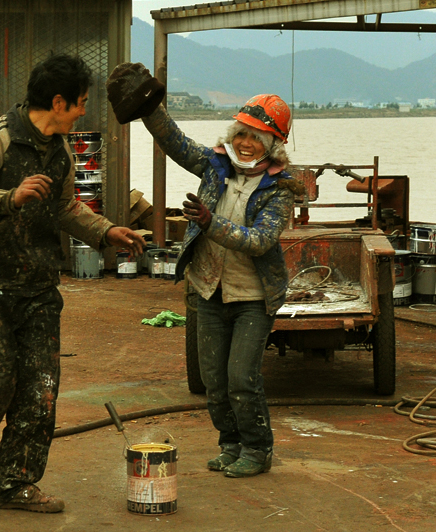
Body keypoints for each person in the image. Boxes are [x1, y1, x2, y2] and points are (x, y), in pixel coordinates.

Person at [0, 53, 145, 513]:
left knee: (41, 388)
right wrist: (8, 198)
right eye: (81, 103)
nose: (83, 112)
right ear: (58, 102)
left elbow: (65, 207)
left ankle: (15, 483)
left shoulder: (61, 152)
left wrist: (106, 231)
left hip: (38, 285)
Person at [107, 63, 303, 478]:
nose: (246, 144)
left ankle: (257, 448)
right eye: (241, 134)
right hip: (208, 289)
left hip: (252, 298)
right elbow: (174, 141)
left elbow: (260, 240)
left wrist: (211, 223)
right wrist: (149, 106)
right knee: (214, 379)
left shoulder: (281, 189)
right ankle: (230, 444)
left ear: (273, 145)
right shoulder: (215, 166)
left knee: (241, 378)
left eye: (257, 137)